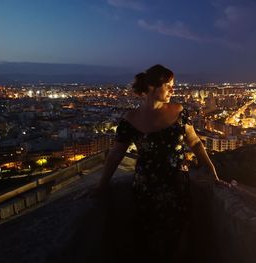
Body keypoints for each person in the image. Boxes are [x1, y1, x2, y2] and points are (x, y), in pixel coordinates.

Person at [93, 64, 225, 262]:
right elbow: (116, 155)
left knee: (178, 235)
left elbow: (195, 142)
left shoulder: (179, 112)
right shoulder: (131, 119)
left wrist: (211, 169)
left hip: (177, 186)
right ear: (153, 87)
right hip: (146, 189)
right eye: (169, 85)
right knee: (148, 237)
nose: (173, 90)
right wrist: (101, 185)